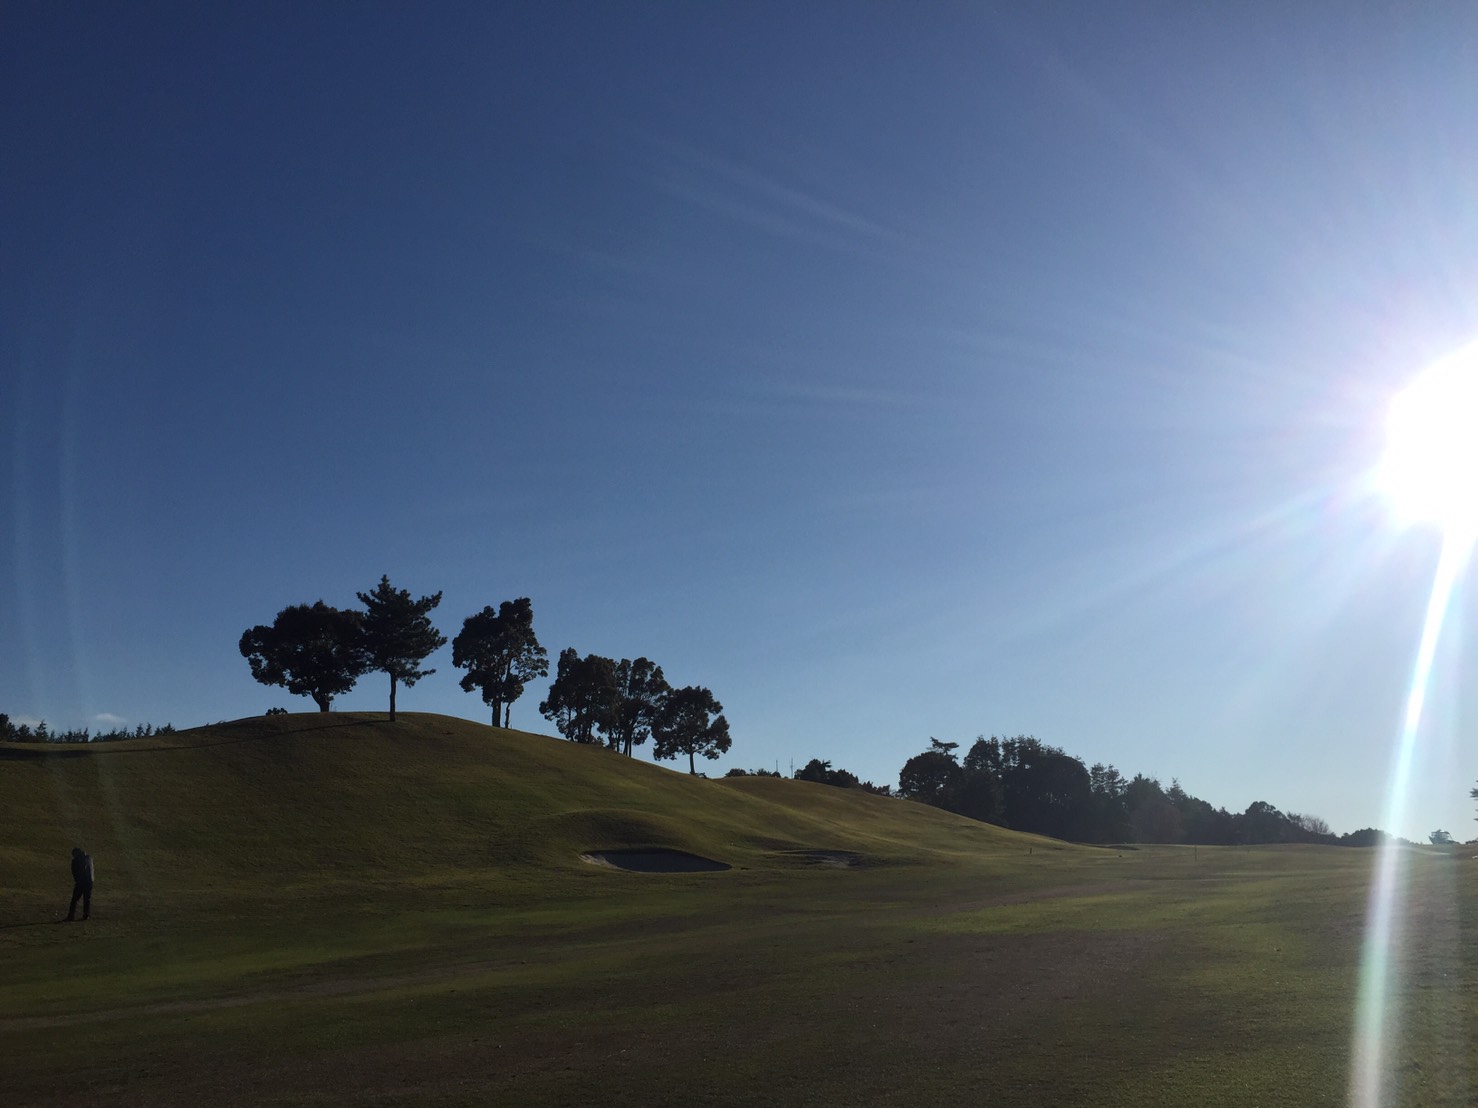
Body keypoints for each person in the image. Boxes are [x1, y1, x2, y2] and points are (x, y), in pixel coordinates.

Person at [65, 847, 93, 921]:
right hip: (89, 882)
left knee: (74, 899)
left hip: (81, 882)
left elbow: (76, 872)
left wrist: (78, 881)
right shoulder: (88, 858)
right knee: (87, 899)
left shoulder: (76, 861)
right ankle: (86, 915)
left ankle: (71, 915)